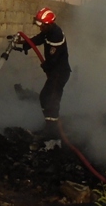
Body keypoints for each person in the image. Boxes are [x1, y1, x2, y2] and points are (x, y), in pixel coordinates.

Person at [16, 7, 71, 139]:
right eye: (38, 23)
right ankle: (50, 126)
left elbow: (53, 58)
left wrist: (45, 66)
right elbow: (38, 39)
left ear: (48, 24)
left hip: (59, 73)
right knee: (46, 97)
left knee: (49, 98)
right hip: (54, 72)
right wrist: (25, 44)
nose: (39, 27)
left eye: (41, 24)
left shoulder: (56, 35)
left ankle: (52, 130)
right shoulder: (48, 31)